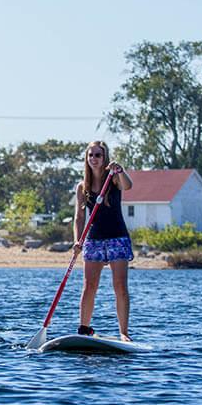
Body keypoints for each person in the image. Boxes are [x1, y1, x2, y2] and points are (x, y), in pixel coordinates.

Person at [73, 140, 135, 342]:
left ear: (104, 157)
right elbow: (79, 217)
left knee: (120, 285)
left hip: (117, 238)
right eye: (91, 155)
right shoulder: (83, 186)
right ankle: (84, 328)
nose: (94, 159)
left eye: (98, 155)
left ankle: (124, 333)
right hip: (94, 240)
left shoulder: (114, 179)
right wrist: (77, 241)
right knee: (89, 285)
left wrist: (120, 170)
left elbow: (128, 185)